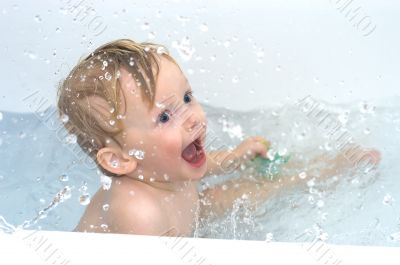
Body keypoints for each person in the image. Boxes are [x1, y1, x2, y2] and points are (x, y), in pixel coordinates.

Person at [57, 39, 380, 236]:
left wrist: (238, 155)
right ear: (120, 159)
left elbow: (205, 165)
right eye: (165, 116)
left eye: (187, 98)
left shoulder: (165, 168)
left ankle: (323, 170)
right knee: (239, 196)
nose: (193, 116)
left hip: (191, 212)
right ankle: (323, 171)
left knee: (253, 192)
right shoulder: (139, 215)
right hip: (179, 226)